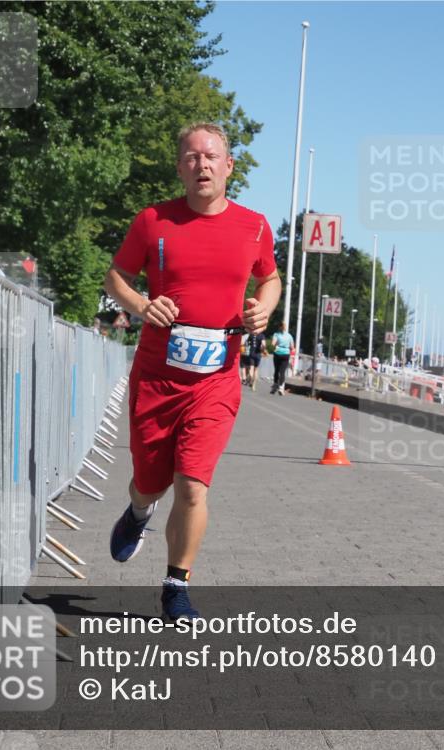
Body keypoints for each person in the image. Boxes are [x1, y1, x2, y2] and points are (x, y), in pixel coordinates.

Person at [102, 122, 280, 620]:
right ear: (180, 167)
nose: (202, 164)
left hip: (216, 378)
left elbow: (270, 277)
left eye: (211, 156)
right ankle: (138, 511)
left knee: (193, 485)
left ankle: (176, 586)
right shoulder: (153, 220)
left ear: (229, 166)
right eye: (192, 157)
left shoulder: (254, 226)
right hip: (157, 376)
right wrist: (142, 305)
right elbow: (115, 278)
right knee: (150, 482)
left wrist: (264, 308)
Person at [270, 321, 293, 395]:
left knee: (276, 370)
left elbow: (273, 344)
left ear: (279, 327)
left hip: (277, 353)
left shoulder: (276, 334)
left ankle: (275, 385)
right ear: (285, 327)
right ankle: (281, 388)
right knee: (282, 372)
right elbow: (292, 347)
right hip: (286, 354)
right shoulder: (289, 336)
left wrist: (276, 346)